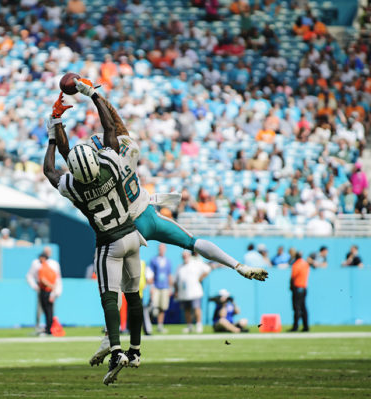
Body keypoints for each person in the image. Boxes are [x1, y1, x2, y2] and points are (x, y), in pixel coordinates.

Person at [60, 80, 267, 365]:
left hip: (127, 226)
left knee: (113, 286)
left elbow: (75, 160)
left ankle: (111, 337)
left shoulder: (101, 169)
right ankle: (237, 265)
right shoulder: (126, 154)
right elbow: (116, 127)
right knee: (191, 242)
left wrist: (56, 125)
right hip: (151, 216)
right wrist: (94, 94)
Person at [44, 84, 143, 385]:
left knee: (109, 298)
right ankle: (136, 350)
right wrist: (93, 94)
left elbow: (51, 170)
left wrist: (53, 132)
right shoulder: (111, 165)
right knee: (134, 296)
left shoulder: (74, 186)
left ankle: (116, 350)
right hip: (132, 234)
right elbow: (110, 127)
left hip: (109, 243)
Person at [26, 247, 62, 334]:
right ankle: (46, 328)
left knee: (48, 310)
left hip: (47, 290)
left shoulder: (46, 267)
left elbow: (44, 279)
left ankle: (49, 329)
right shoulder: (38, 265)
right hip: (45, 289)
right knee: (45, 310)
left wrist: (54, 289)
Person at [174, 251, 210, 333]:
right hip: (184, 293)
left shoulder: (196, 263)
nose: (184, 257)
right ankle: (189, 326)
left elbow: (207, 269)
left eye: (186, 255)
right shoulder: (180, 267)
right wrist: (176, 291)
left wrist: (200, 278)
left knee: (196, 308)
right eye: (183, 256)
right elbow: (175, 280)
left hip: (195, 292)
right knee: (187, 310)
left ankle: (199, 325)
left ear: (189, 255)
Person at [149, 243, 173, 333]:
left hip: (165, 287)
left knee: (162, 307)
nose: (161, 250)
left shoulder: (168, 261)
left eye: (163, 248)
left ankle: (160, 325)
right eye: (160, 248)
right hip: (156, 287)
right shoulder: (153, 260)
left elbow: (169, 275)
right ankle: (149, 325)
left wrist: (171, 288)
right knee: (154, 308)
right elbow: (150, 274)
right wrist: (151, 286)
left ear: (165, 249)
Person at [289, 252, 310, 332]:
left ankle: (295, 326)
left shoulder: (296, 264)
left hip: (297, 287)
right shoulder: (305, 264)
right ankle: (306, 326)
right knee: (303, 307)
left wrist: (291, 286)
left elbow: (293, 276)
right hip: (304, 287)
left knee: (296, 307)